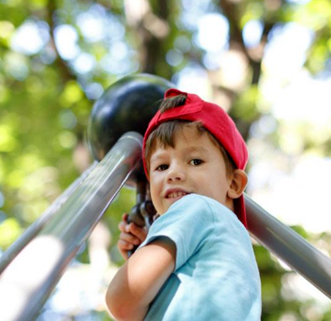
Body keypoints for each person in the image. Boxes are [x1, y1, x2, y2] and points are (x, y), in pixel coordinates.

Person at [106, 88, 261, 320]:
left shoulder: (196, 206)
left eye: (195, 161)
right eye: (162, 167)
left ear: (234, 183)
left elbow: (121, 300)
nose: (174, 173)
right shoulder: (233, 243)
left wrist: (137, 266)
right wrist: (145, 252)